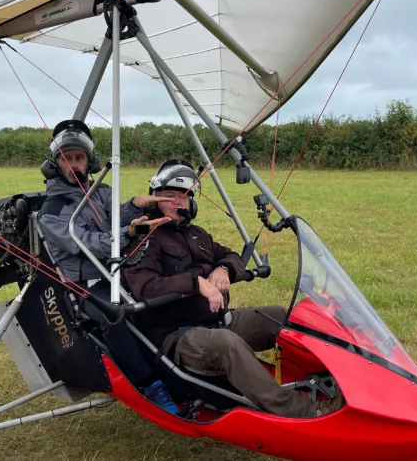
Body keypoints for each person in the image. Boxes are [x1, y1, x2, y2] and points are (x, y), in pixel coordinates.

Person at [121, 159, 346, 418]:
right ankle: (305, 410)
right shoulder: (144, 238)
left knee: (284, 317)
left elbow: (232, 257)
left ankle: (337, 381)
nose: (176, 202)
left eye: (183, 196)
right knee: (228, 344)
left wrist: (223, 269)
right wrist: (196, 283)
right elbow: (145, 287)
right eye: (168, 196)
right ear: (154, 199)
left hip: (219, 320)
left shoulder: (197, 234)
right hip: (178, 335)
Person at [37, 119, 181, 415]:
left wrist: (134, 206)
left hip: (116, 269)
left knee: (159, 290)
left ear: (89, 162)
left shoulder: (101, 192)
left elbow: (116, 219)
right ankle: (149, 384)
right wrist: (128, 233)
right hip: (86, 286)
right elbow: (88, 244)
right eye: (67, 159)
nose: (74, 165)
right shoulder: (52, 212)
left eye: (79, 158)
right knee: (113, 315)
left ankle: (178, 361)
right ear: (54, 165)